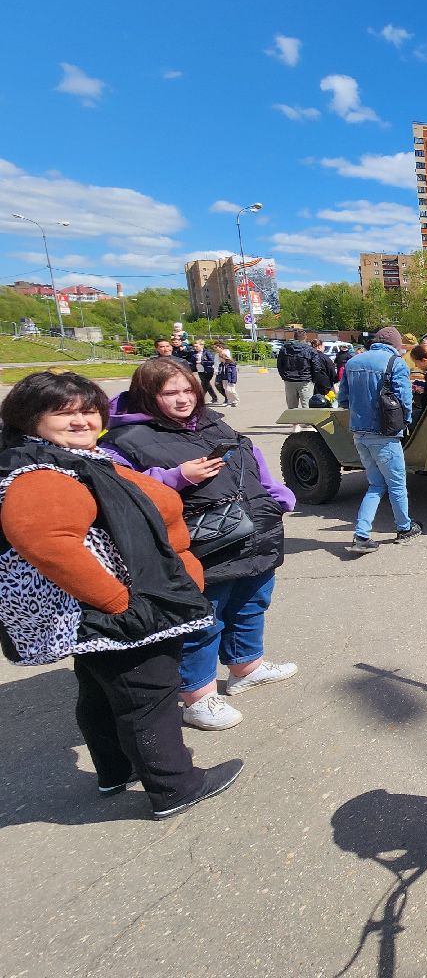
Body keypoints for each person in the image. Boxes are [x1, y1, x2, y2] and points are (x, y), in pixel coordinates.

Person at [0, 371, 242, 817]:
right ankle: (176, 785)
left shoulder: (74, 459)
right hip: (113, 609)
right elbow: (47, 542)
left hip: (103, 610)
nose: (81, 421)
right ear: (30, 420)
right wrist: (118, 603)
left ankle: (116, 770)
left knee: (101, 693)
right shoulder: (41, 473)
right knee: (147, 697)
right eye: (64, 413)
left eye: (89, 410)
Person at [102, 358, 298, 731]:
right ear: (148, 395)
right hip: (201, 545)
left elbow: (249, 456)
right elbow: (120, 492)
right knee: (202, 620)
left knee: (251, 603)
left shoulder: (211, 421)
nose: (182, 399)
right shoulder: (125, 440)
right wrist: (175, 477)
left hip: (254, 532)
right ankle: (198, 696)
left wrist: (277, 494)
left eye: (187, 390)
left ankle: (246, 667)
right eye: (169, 393)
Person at [338, 327, 420, 553]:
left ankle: (362, 535)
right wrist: (406, 422)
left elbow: (343, 399)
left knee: (375, 484)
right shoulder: (396, 363)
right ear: (395, 344)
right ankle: (404, 528)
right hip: (385, 434)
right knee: (397, 484)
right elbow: (405, 399)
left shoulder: (353, 362)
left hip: (359, 434)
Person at [277, 335, 324, 410]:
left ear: (294, 337)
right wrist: (313, 380)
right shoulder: (310, 350)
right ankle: (306, 421)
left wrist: (285, 377)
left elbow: (280, 365)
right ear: (305, 338)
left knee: (291, 408)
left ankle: (294, 421)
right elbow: (316, 367)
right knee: (307, 407)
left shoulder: (285, 349)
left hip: (290, 381)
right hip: (305, 381)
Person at [194, 338, 219, 404]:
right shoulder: (194, 353)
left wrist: (202, 362)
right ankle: (214, 398)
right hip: (200, 369)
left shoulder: (207, 352)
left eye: (197, 346)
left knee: (204, 384)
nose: (195, 348)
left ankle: (200, 400)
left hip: (208, 370)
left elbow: (212, 361)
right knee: (206, 384)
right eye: (194, 346)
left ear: (201, 345)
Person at [215, 341, 239, 407]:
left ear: (224, 358)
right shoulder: (222, 365)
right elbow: (221, 371)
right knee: (227, 391)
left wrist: (233, 380)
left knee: (231, 390)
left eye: (220, 358)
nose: (219, 359)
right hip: (224, 378)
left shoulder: (230, 365)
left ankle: (236, 400)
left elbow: (233, 373)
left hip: (230, 379)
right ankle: (230, 402)